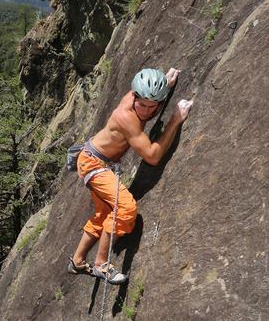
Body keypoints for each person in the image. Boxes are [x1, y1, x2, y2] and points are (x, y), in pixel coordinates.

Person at [68, 67, 193, 283]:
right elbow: (152, 156)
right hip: (93, 163)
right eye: (142, 105)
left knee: (102, 215)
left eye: (152, 106)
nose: (145, 111)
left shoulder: (143, 94)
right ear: (133, 96)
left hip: (93, 160)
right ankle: (101, 265)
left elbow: (150, 92)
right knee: (125, 207)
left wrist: (165, 82)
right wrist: (175, 120)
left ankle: (77, 262)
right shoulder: (126, 117)